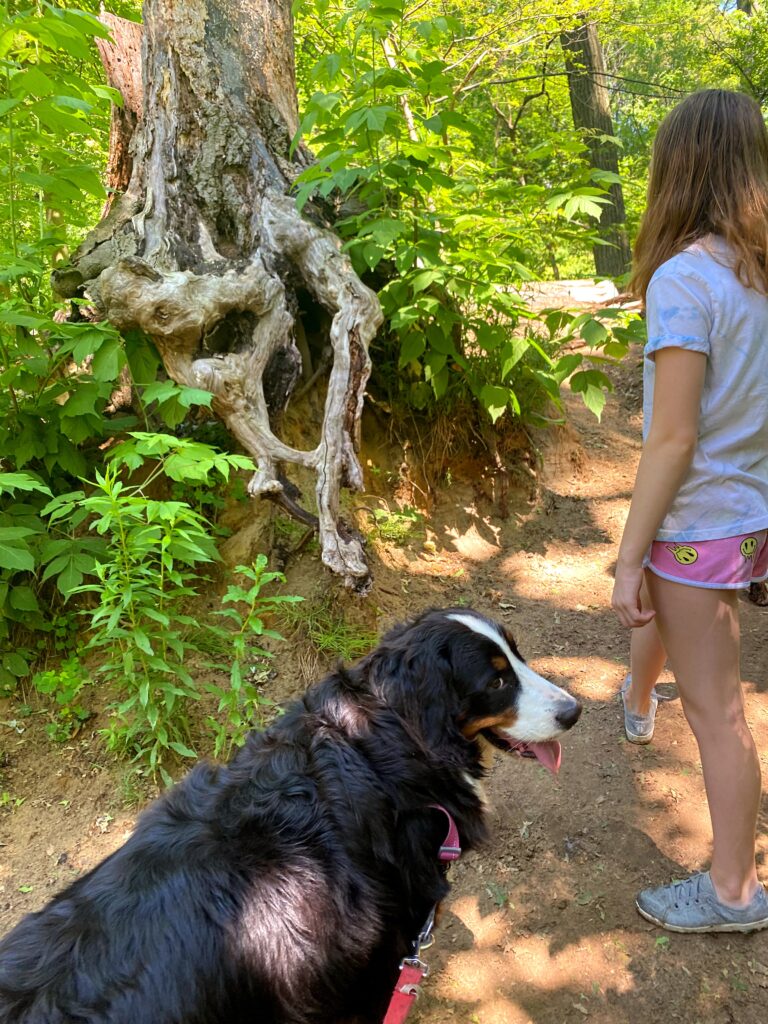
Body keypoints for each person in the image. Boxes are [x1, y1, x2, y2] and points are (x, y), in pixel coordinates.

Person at [611, 88, 768, 933]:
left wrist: (629, 554)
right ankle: (636, 705)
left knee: (718, 716)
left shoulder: (685, 279)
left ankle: (735, 892)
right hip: (745, 517)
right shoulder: (758, 276)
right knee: (717, 699)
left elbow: (670, 440)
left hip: (696, 521)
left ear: (677, 167)